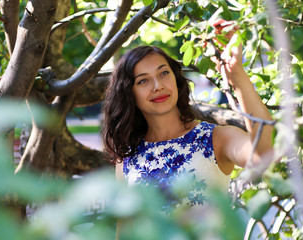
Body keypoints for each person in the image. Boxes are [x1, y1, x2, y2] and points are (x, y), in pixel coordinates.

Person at [102, 21, 274, 213]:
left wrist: (236, 75)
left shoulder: (215, 138)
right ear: (128, 93)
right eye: (143, 80)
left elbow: (264, 156)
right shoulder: (128, 156)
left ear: (176, 80)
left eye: (164, 73)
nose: (158, 85)